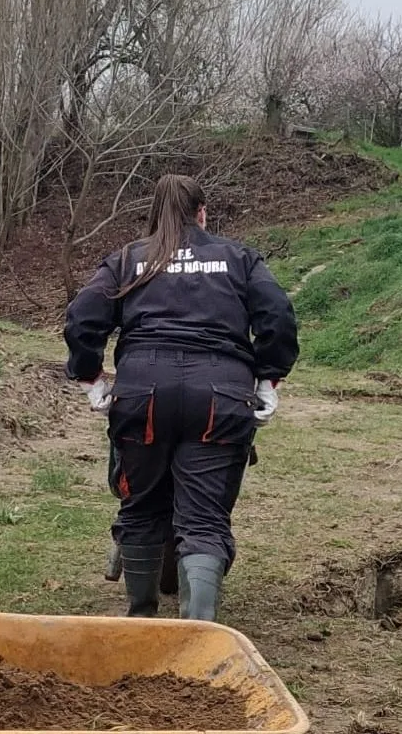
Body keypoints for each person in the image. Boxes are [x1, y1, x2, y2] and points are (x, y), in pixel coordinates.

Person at [63, 174, 298, 623]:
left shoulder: (128, 259)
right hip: (220, 392)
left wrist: (92, 378)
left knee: (142, 505)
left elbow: (82, 320)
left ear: (153, 215)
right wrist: (269, 378)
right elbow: (278, 318)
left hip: (143, 391)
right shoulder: (239, 259)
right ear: (202, 214)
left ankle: (142, 618)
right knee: (205, 517)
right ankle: (197, 630)